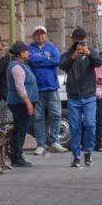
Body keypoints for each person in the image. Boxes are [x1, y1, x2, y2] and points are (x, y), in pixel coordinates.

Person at [60, 29, 102, 167]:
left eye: (82, 38)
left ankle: (88, 152)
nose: (79, 40)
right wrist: (73, 56)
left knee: (90, 124)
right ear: (72, 39)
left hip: (89, 95)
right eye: (77, 38)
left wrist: (89, 53)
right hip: (74, 96)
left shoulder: (90, 51)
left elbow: (99, 62)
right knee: (75, 127)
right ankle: (76, 155)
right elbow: (62, 65)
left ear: (85, 38)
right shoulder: (68, 54)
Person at [25, 25, 64, 156]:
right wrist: (46, 59)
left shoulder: (52, 47)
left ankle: (55, 142)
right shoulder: (29, 48)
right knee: (38, 117)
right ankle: (41, 144)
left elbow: (56, 61)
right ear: (33, 35)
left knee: (56, 114)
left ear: (46, 35)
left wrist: (38, 61)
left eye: (42, 33)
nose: (40, 36)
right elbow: (30, 60)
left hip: (52, 86)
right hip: (36, 88)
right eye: (37, 33)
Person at [4, 42, 35, 168]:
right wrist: (28, 102)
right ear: (22, 53)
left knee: (21, 128)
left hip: (21, 103)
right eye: (27, 51)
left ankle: (17, 155)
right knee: (20, 130)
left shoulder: (22, 65)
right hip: (19, 103)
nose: (29, 54)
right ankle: (17, 157)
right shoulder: (17, 66)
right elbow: (19, 86)